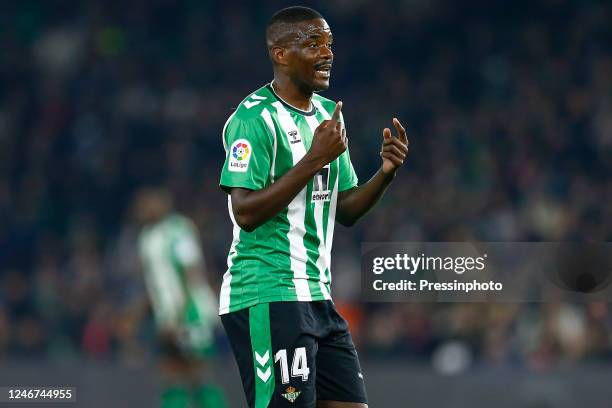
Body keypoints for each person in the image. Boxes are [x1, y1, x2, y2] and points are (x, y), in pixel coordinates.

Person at [218, 6, 409, 408]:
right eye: (312, 43)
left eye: (329, 43)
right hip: (267, 292)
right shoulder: (253, 120)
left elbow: (347, 209)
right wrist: (313, 159)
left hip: (318, 297)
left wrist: (386, 173)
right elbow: (245, 212)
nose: (327, 53)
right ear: (280, 54)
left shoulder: (326, 117)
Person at [133, 188, 226, 408]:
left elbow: (190, 273)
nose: (146, 209)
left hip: (191, 313)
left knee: (198, 374)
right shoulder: (146, 238)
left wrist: (180, 316)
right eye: (142, 205)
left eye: (150, 202)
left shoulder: (179, 229)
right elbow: (155, 284)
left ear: (163, 203)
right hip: (167, 318)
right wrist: (140, 314)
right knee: (170, 374)